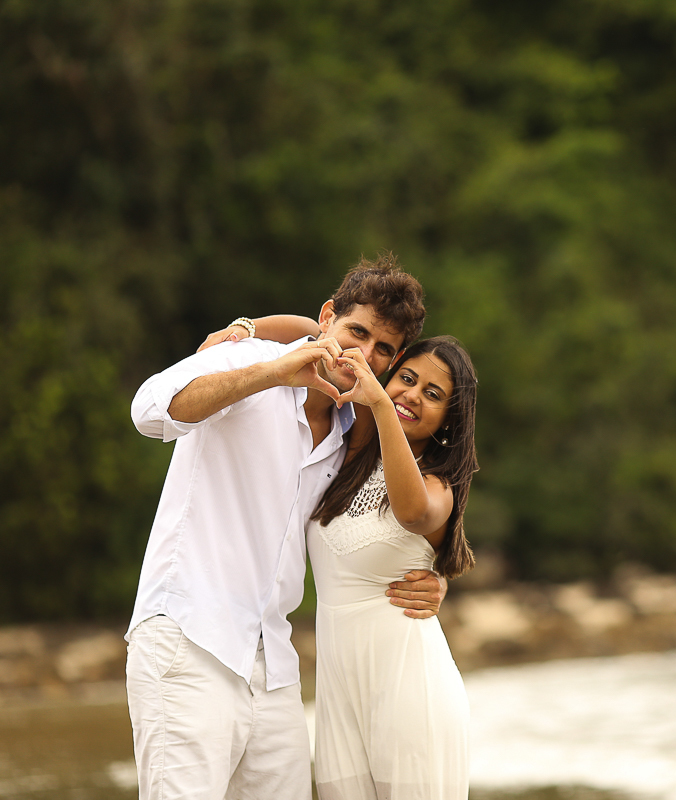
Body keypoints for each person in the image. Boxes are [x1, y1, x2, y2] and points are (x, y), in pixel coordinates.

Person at [126, 255, 447, 800]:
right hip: (188, 637)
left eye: (382, 350)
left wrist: (431, 577)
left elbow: (391, 521)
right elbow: (149, 411)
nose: (362, 354)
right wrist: (271, 368)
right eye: (356, 333)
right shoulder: (250, 359)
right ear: (327, 319)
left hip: (273, 665)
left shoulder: (356, 429)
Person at [308, 335, 478, 799]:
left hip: (410, 693)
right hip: (340, 693)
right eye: (407, 379)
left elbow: (411, 513)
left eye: (433, 394)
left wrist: (383, 404)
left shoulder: (438, 487)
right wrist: (244, 329)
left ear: (449, 421)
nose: (412, 395)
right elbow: (321, 332)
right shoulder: (353, 448)